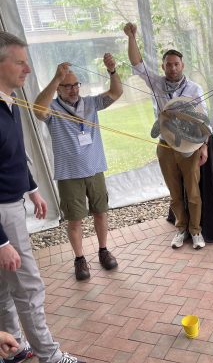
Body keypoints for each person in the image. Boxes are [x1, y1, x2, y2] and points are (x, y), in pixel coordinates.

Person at [0, 31, 84, 363]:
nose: (27, 69)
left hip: (13, 203)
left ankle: (14, 346)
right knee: (29, 286)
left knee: (5, 288)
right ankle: (50, 356)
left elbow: (14, 155)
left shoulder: (10, 101)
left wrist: (33, 189)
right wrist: (1, 241)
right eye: (20, 62)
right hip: (3, 214)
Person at [34, 56, 122, 281]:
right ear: (59, 89)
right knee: (74, 219)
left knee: (101, 212)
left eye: (75, 85)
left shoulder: (91, 103)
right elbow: (37, 109)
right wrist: (56, 78)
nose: (73, 90)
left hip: (95, 169)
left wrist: (112, 71)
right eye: (67, 85)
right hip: (69, 174)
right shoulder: (52, 108)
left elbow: (116, 93)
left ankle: (103, 250)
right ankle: (80, 259)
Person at [124, 22, 208, 250]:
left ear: (183, 65)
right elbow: (137, 64)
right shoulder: (156, 84)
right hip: (165, 146)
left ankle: (196, 231)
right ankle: (181, 229)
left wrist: (204, 147)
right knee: (174, 193)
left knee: (193, 192)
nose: (172, 68)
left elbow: (203, 120)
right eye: (168, 64)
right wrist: (132, 36)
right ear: (163, 66)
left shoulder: (194, 89)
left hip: (189, 148)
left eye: (176, 64)